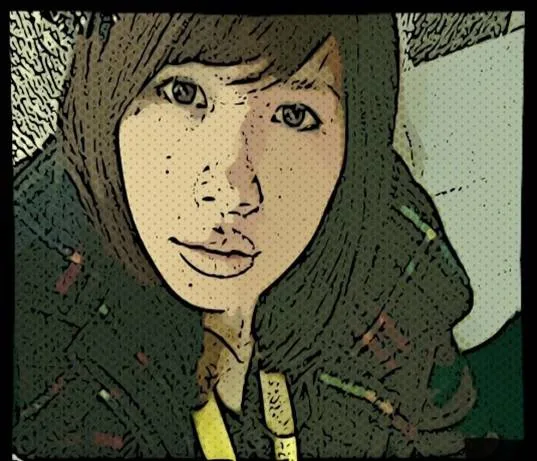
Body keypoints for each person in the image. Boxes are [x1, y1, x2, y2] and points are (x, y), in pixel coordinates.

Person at [12, 13, 523, 459]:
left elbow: (439, 426)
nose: (233, 188)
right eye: (184, 92)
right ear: (105, 88)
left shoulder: (385, 246)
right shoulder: (35, 298)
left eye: (293, 115)